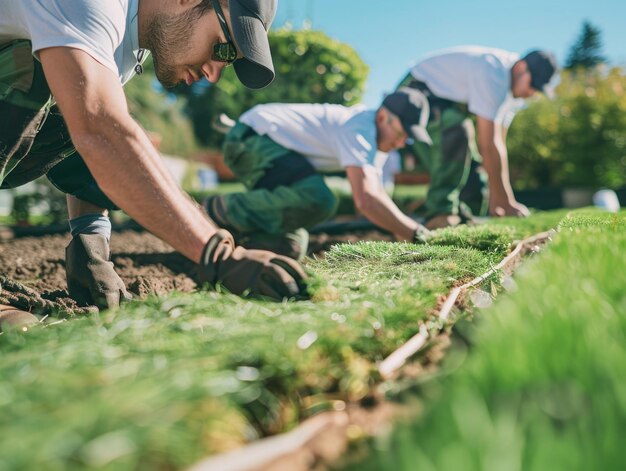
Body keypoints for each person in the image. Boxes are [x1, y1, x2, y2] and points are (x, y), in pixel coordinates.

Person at [0, 0, 307, 319]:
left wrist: (91, 235)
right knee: (50, 81)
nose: (214, 74)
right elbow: (100, 130)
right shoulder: (92, 5)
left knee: (100, 108)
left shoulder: (127, 44)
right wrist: (220, 257)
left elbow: (93, 129)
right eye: (224, 49)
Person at [203, 88, 432, 261]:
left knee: (291, 245)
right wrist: (416, 233)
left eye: (408, 139)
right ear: (383, 117)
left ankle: (235, 238)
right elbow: (367, 200)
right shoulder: (360, 128)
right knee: (319, 199)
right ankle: (219, 209)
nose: (402, 143)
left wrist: (403, 235)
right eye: (401, 133)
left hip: (277, 153)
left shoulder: (375, 144)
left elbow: (376, 195)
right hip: (251, 139)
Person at [394, 46, 559, 229]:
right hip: (414, 94)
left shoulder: (513, 96)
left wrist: (500, 200)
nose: (533, 93)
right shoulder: (494, 72)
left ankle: (469, 218)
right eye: (533, 84)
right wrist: (505, 202)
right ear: (520, 68)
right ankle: (440, 214)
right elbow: (489, 144)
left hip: (445, 104)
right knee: (457, 129)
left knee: (473, 168)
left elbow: (498, 146)